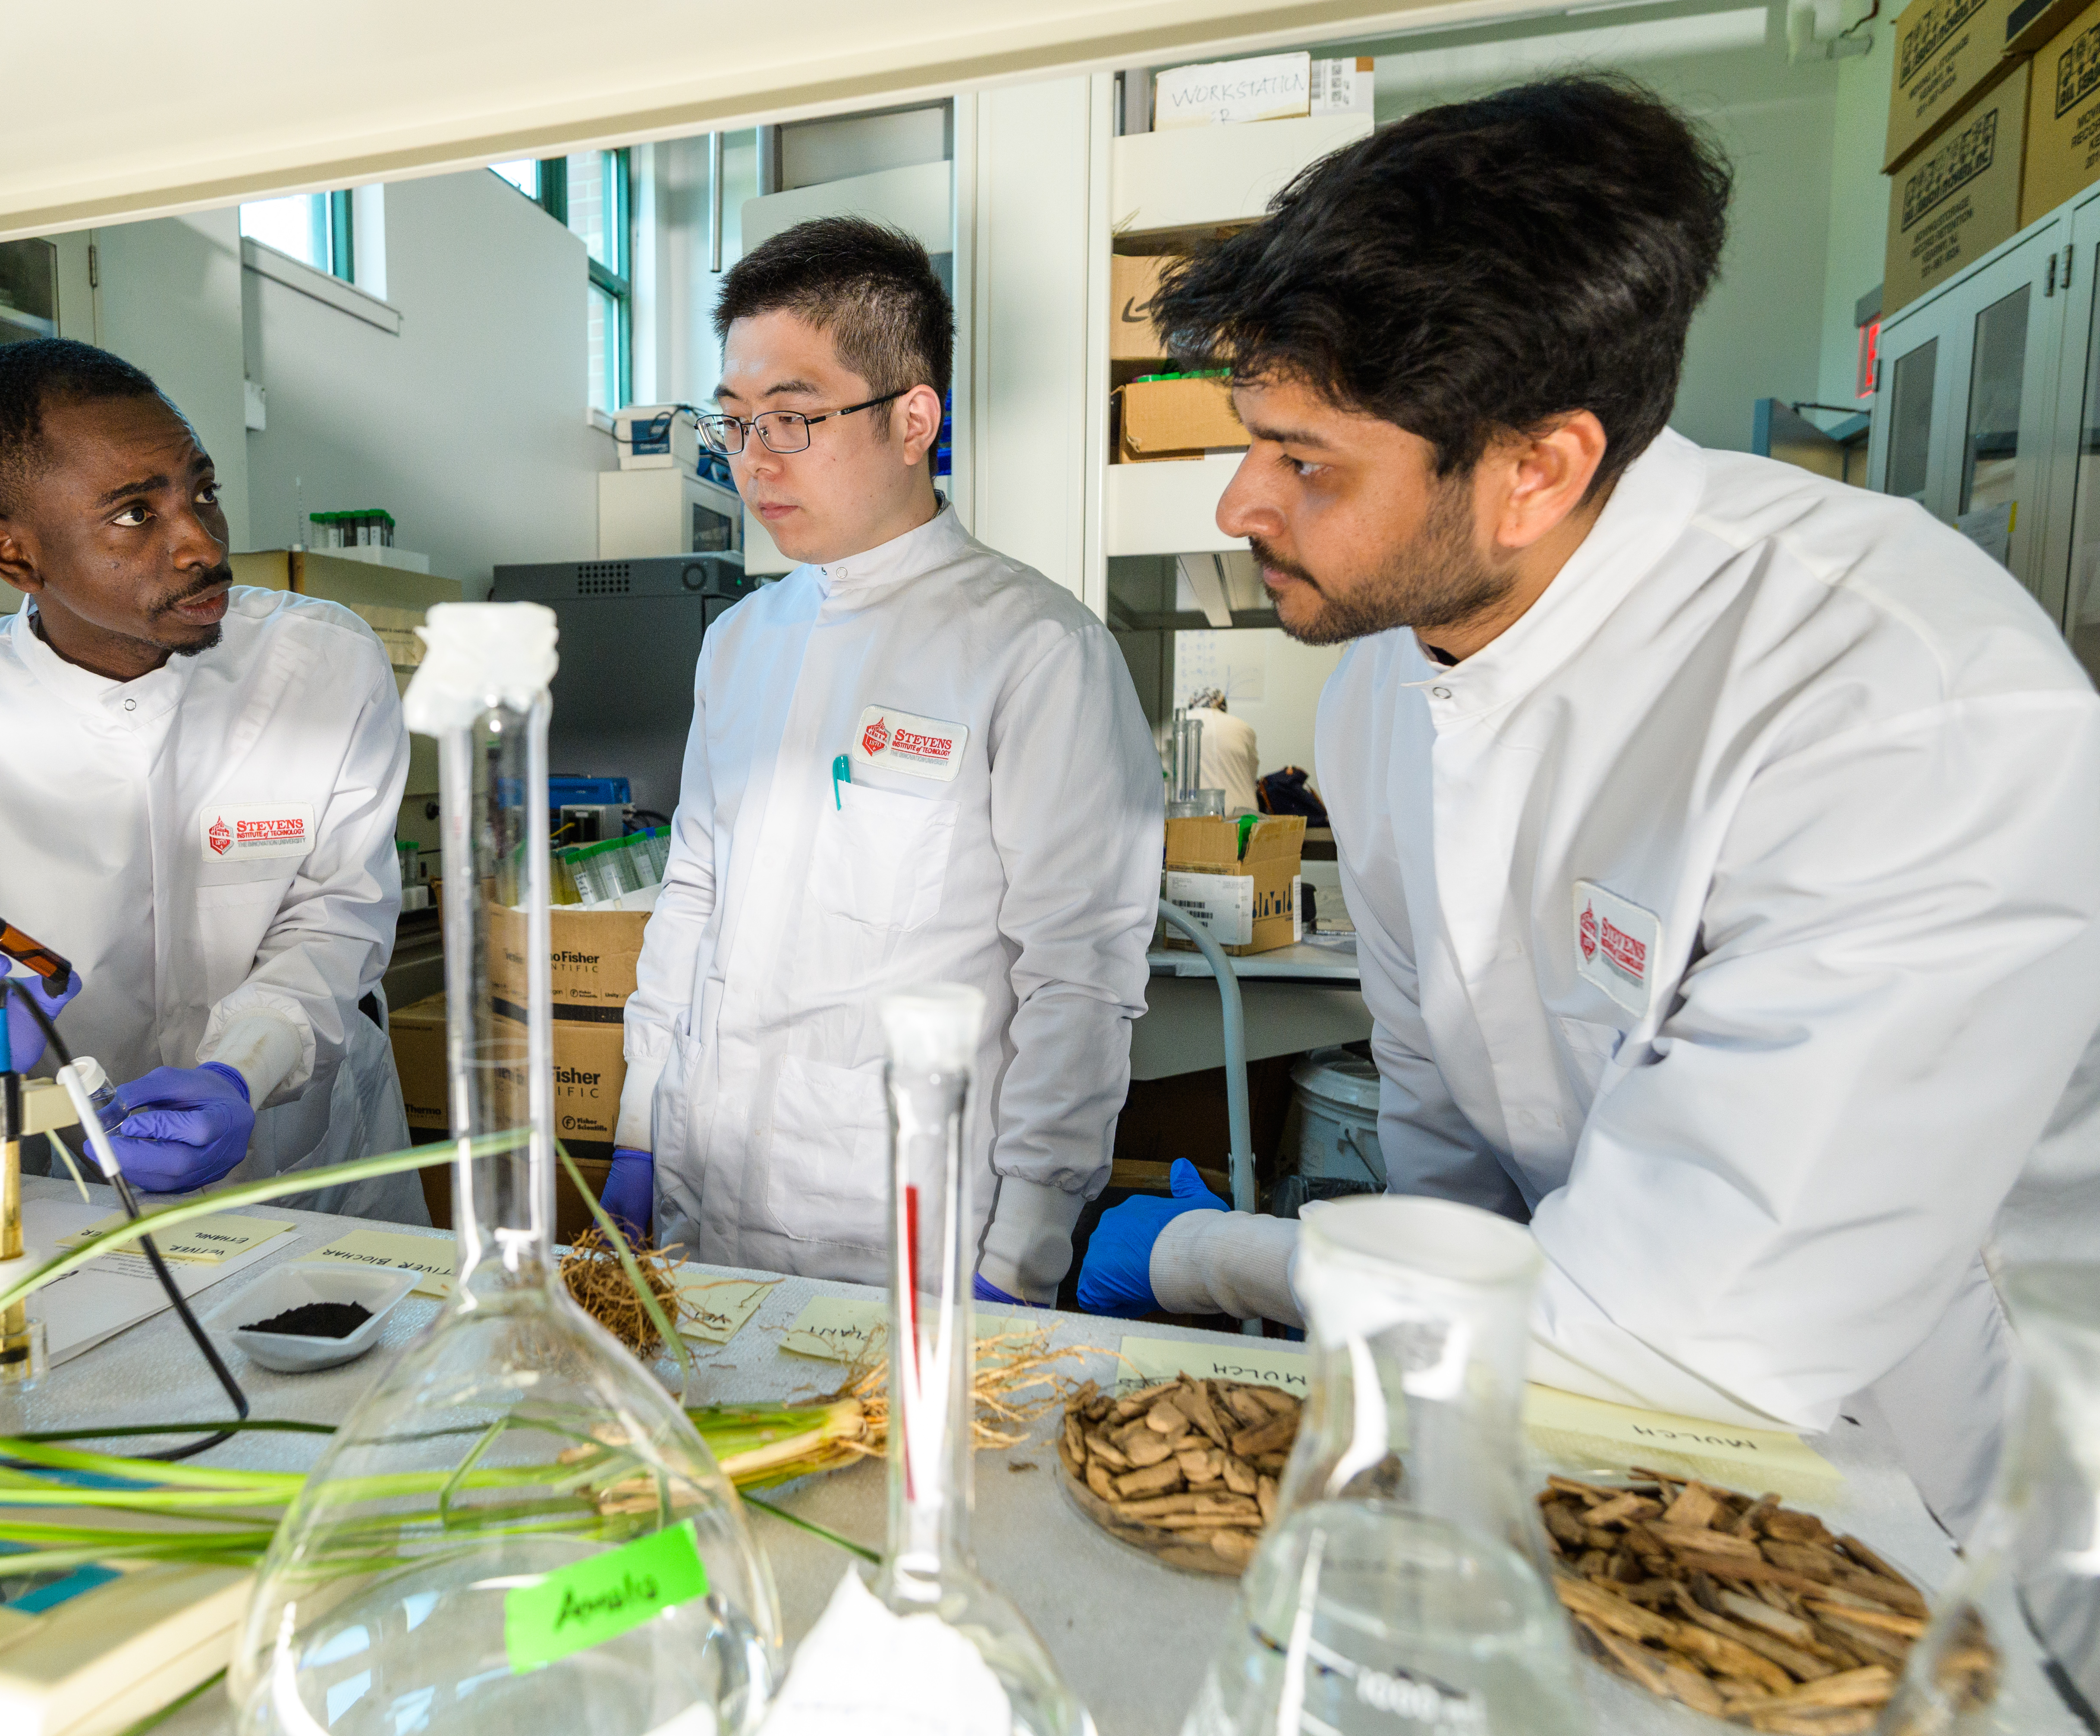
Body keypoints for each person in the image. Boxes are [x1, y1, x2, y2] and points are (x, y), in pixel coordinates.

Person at [1076, 76, 2100, 1531]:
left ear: (1534, 469)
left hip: (1940, 1494)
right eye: (1250, 438)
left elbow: (1686, 1336)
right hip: (1579, 1434)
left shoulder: (1902, 698)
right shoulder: (1386, 678)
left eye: (1303, 462)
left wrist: (1216, 1259)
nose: (1240, 507)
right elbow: (1442, 1120)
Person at [606, 217, 1165, 1300]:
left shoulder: (1036, 649)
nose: (754, 460)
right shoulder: (738, 642)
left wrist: (1028, 1241)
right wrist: (639, 1129)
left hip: (904, 1228)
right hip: (702, 1191)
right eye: (734, 422)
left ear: (914, 418)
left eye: (795, 418)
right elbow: (694, 893)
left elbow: (1080, 974)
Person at [0, 338, 422, 1218]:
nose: (200, 541)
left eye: (201, 491)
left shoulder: (322, 663)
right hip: (68, 1212)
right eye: (134, 514)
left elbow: (336, 916)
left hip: (311, 1169)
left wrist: (242, 1070)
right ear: (13, 556)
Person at [1164, 687, 1259, 811]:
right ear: (1223, 707)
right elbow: (1252, 771)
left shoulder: (1175, 722)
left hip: (1189, 812)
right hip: (1241, 812)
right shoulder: (1244, 727)